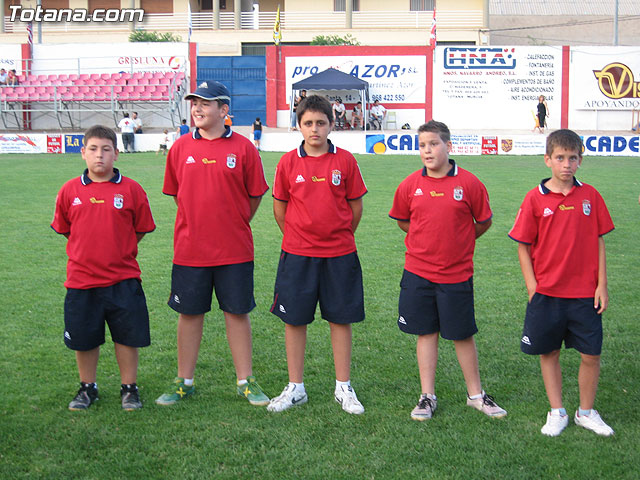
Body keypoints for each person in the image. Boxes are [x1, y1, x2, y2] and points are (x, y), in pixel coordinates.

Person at [156, 80, 270, 407]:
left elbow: (254, 196)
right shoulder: (180, 148)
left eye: (205, 103)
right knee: (189, 314)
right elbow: (178, 195)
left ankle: (246, 381)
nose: (197, 109)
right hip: (190, 250)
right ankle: (184, 381)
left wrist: (233, 221)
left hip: (234, 249)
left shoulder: (244, 149)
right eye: (194, 103)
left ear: (224, 110)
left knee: (237, 313)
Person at [389, 120, 507, 422]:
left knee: (462, 334)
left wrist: (460, 240)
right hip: (418, 272)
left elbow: (483, 221)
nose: (427, 150)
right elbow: (403, 220)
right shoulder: (410, 185)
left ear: (449, 146)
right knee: (426, 332)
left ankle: (476, 395)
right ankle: (427, 396)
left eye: (434, 144)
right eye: (422, 145)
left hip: (456, 274)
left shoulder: (469, 183)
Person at [509, 129, 615, 437]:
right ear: (547, 160)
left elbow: (599, 240)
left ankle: (586, 412)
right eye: (560, 158)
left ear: (580, 160)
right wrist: (532, 287)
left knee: (591, 354)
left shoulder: (590, 196)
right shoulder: (534, 198)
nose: (566, 164)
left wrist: (602, 284)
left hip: (585, 293)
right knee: (549, 352)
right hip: (548, 293)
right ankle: (557, 411)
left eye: (572, 158)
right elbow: (523, 246)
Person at [267, 95, 367, 415]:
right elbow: (280, 209)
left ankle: (343, 387)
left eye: (320, 123)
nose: (314, 129)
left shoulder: (345, 161)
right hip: (298, 255)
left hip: (339, 254)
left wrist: (338, 234)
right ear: (299, 126)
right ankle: (296, 387)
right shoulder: (287, 163)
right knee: (295, 319)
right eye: (308, 123)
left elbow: (355, 207)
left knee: (340, 319)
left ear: (331, 125)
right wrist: (298, 237)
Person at [50, 125, 156, 411]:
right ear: (83, 153)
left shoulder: (131, 189)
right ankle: (88, 387)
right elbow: (66, 228)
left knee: (127, 336)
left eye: (106, 149)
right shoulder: (69, 190)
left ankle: (129, 388)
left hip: (123, 279)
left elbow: (140, 228)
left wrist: (119, 248)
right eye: (93, 149)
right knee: (84, 338)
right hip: (81, 280)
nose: (100, 155)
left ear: (116, 154)